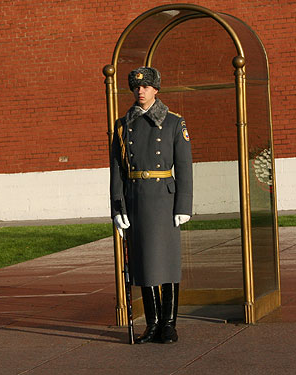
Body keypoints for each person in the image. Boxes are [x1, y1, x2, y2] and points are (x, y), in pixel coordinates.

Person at [110, 67, 193, 344]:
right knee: (143, 263)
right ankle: (153, 323)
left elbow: (183, 167)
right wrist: (118, 208)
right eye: (136, 87)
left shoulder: (172, 123)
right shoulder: (122, 127)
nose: (140, 91)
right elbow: (117, 172)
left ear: (156, 89)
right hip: (135, 197)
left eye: (145, 87)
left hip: (163, 199)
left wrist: (183, 204)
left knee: (167, 264)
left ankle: (169, 323)